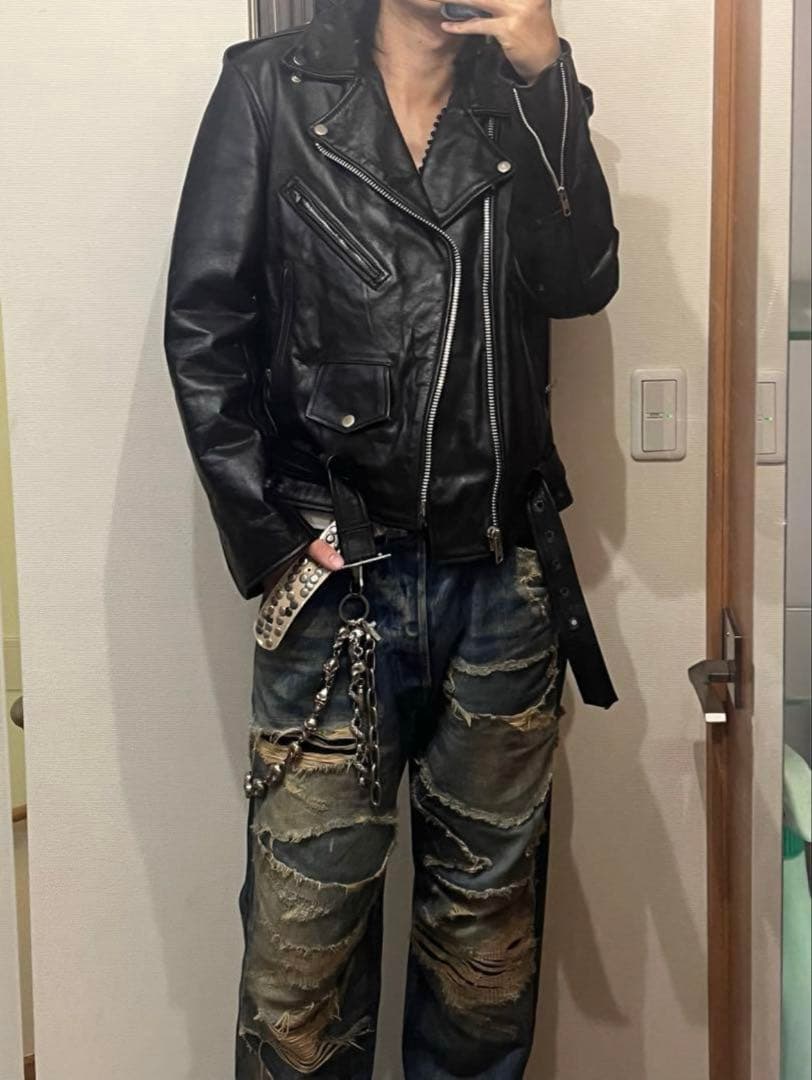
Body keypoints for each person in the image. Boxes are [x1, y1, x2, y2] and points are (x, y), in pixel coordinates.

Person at [164, 0, 619, 1073]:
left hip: (499, 580)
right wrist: (273, 534)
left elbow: (579, 279)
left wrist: (546, 78)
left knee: (484, 958)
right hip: (338, 586)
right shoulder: (271, 88)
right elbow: (204, 324)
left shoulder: (523, 100)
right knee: (301, 967)